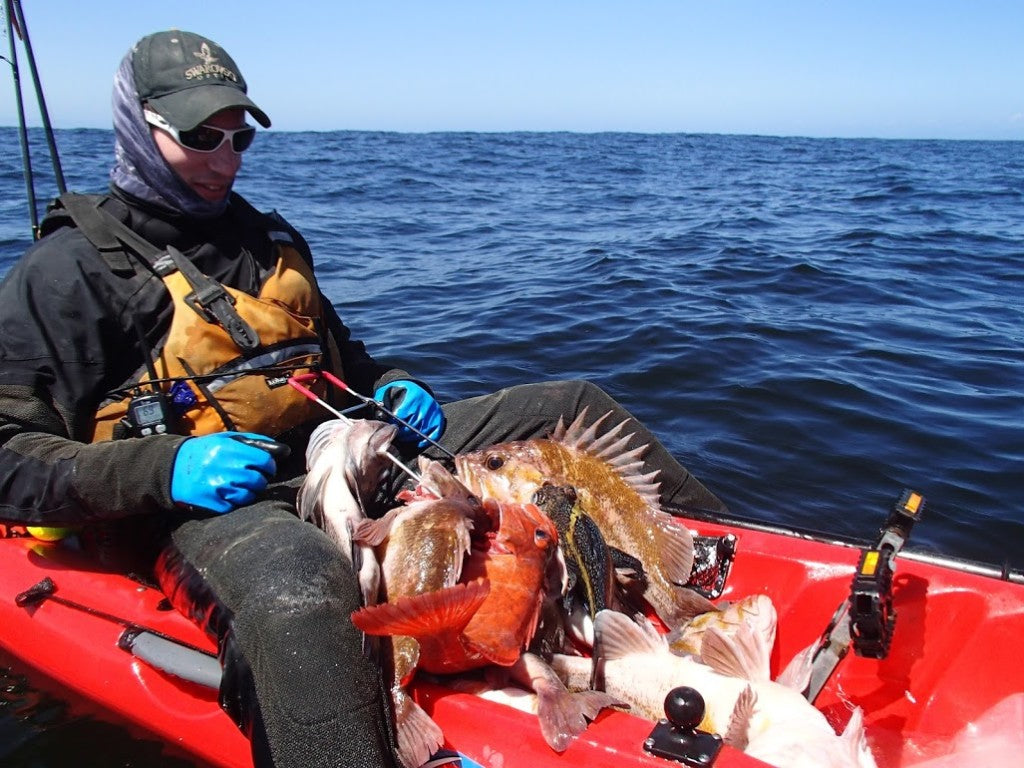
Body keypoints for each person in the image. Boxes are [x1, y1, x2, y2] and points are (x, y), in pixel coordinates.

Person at [0, 30, 727, 768]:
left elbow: (353, 363)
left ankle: (714, 571)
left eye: (239, 134)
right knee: (301, 599)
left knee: (576, 404)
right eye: (200, 136)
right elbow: (8, 458)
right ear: (139, 126)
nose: (225, 157)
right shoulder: (68, 272)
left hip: (344, 449)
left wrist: (394, 386)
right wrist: (166, 468)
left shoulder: (269, 240)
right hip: (207, 509)